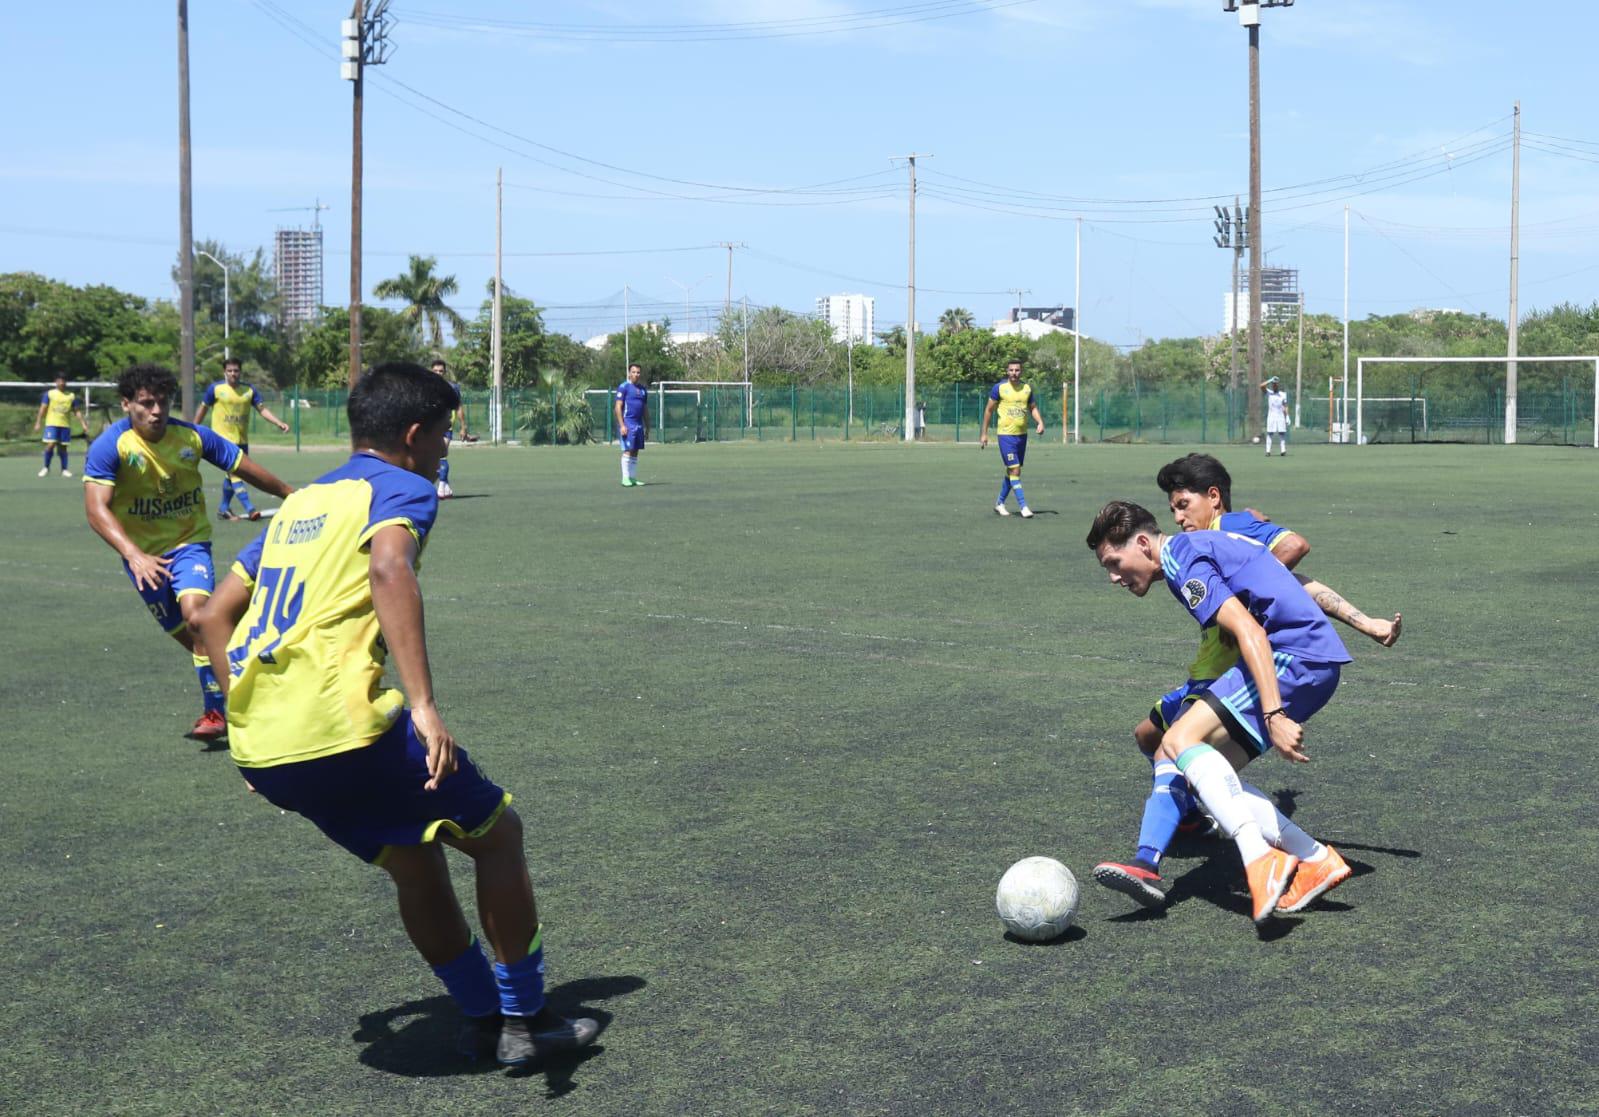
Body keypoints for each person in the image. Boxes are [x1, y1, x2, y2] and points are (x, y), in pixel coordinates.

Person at [195, 361, 597, 1066]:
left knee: (414, 862)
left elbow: (213, 617)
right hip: (343, 727)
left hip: (268, 747)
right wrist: (424, 706)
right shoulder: (403, 487)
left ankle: (482, 1018)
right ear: (413, 434)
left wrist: (243, 723)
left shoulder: (300, 503)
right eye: (445, 434)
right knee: (497, 835)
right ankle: (526, 1021)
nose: (447, 448)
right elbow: (389, 569)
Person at [1093, 453, 1401, 910]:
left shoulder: (1182, 558)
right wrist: (1364, 622)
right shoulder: (1201, 547)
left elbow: (1252, 629)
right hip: (1313, 660)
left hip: (1292, 656)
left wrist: (1274, 713)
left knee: (1178, 741)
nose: (1115, 577)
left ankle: (1260, 858)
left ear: (1141, 543)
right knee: (1207, 773)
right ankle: (1315, 859)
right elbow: (1291, 582)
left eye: (1114, 562)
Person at [83, 364, 294, 743]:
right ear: (126, 404)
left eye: (162, 402)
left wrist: (292, 495)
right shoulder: (109, 446)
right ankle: (257, 657)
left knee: (198, 619)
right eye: (146, 404)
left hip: (188, 544)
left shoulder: (194, 436)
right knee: (200, 641)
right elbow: (96, 509)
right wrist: (134, 555)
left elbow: (243, 467)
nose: (156, 411)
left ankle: (219, 714)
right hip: (143, 559)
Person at [193, 357, 291, 520]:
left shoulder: (249, 390)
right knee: (237, 474)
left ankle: (224, 508)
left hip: (242, 441)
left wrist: (278, 422)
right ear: (224, 372)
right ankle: (250, 508)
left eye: (236, 371)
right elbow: (203, 409)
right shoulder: (215, 389)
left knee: (231, 474)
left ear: (240, 372)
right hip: (221, 441)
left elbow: (262, 410)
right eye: (230, 371)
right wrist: (193, 428)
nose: (233, 374)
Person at [978, 359, 1044, 518]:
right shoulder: (999, 388)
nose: (1014, 373)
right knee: (1015, 469)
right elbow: (988, 410)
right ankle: (1024, 506)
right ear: (1007, 372)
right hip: (1005, 436)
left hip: (1022, 436)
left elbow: (1033, 408)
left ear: (1021, 371)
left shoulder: (1027, 389)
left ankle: (1000, 503)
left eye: (1017, 370)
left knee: (1012, 471)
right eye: (1011, 370)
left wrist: (1040, 422)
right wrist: (984, 433)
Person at [33, 373, 92, 477]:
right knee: (50, 445)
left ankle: (64, 469)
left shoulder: (71, 396)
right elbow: (43, 408)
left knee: (63, 448)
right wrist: (38, 422)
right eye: (59, 381)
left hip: (65, 425)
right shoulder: (50, 394)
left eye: (63, 381)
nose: (61, 383)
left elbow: (77, 411)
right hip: (52, 424)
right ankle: (46, 467)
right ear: (56, 382)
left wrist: (83, 424)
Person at [430, 359, 468, 499]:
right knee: (433, 456)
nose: (438, 373)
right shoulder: (426, 387)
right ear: (431, 371)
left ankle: (441, 488)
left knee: (441, 454)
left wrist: (463, 427)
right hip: (429, 426)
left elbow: (458, 407)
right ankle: (445, 485)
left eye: (441, 371)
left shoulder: (452, 388)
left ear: (445, 372)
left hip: (446, 426)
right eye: (436, 371)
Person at [614, 362, 649, 487]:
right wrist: (622, 425)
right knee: (628, 451)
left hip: (639, 424)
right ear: (629, 373)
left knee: (635, 451)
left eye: (638, 372)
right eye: (633, 372)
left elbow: (645, 409)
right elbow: (618, 407)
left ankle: (633, 478)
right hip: (628, 423)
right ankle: (625, 478)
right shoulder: (624, 387)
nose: (636, 374)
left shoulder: (643, 390)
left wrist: (647, 427)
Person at [1261, 376, 1290, 456]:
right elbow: (1261, 386)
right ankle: (1268, 451)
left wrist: (1287, 416)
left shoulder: (1283, 394)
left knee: (1282, 433)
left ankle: (1283, 450)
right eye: (1273, 384)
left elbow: (1285, 406)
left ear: (1278, 385)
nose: (1274, 386)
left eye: (1276, 384)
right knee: (1270, 433)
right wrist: (1270, 380)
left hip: (1280, 416)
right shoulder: (1269, 393)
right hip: (1271, 416)